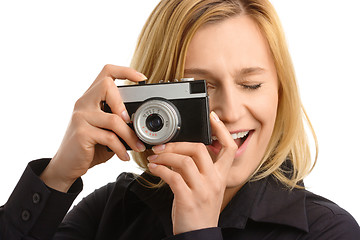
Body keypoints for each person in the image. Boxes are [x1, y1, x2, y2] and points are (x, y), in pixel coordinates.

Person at [1, 0, 359, 239]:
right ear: (154, 93)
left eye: (251, 84)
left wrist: (197, 231)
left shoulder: (331, 231)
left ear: (281, 93)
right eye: (199, 88)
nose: (231, 112)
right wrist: (56, 177)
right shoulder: (114, 208)